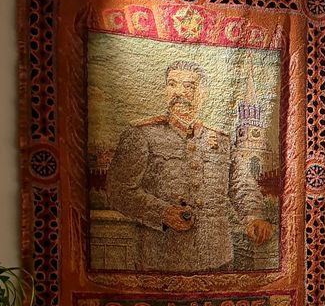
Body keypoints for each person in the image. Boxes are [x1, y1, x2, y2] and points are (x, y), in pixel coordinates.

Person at [105, 61, 274, 272]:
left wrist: (253, 216)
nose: (179, 93)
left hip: (217, 257)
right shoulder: (141, 134)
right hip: (160, 260)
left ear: (203, 94)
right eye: (172, 84)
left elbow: (241, 184)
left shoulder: (221, 140)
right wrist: (162, 213)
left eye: (188, 86)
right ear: (165, 91)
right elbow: (118, 189)